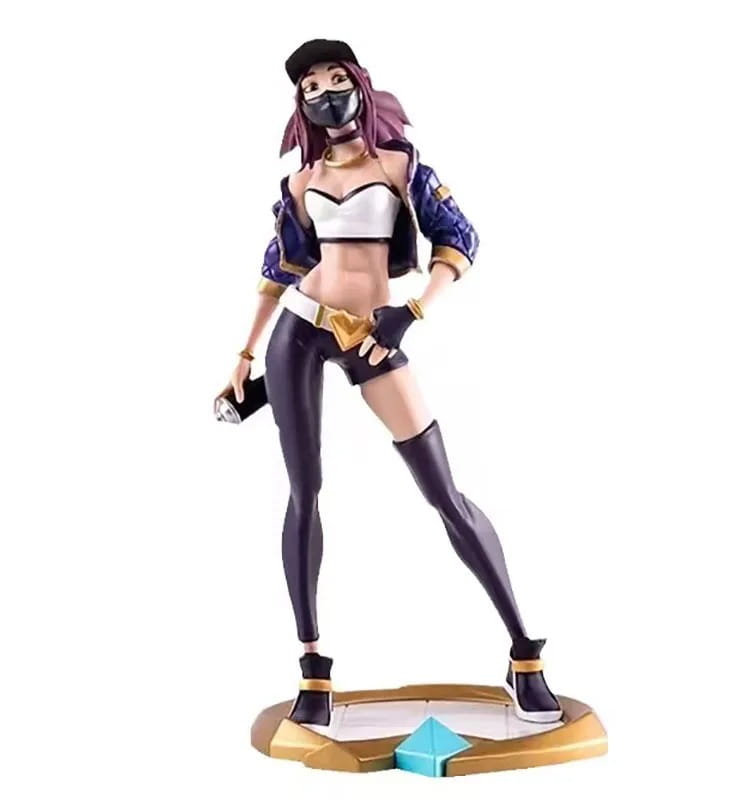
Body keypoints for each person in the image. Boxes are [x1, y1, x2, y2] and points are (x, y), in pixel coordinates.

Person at [219, 39, 562, 726]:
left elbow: (459, 239)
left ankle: (524, 654)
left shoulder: (402, 166)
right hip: (301, 329)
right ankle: (313, 670)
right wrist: (244, 356)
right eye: (310, 86)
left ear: (359, 83)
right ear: (301, 104)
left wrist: (412, 311)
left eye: (334, 78)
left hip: (375, 333)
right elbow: (278, 268)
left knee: (443, 491)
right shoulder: (300, 182)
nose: (324, 92)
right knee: (305, 492)